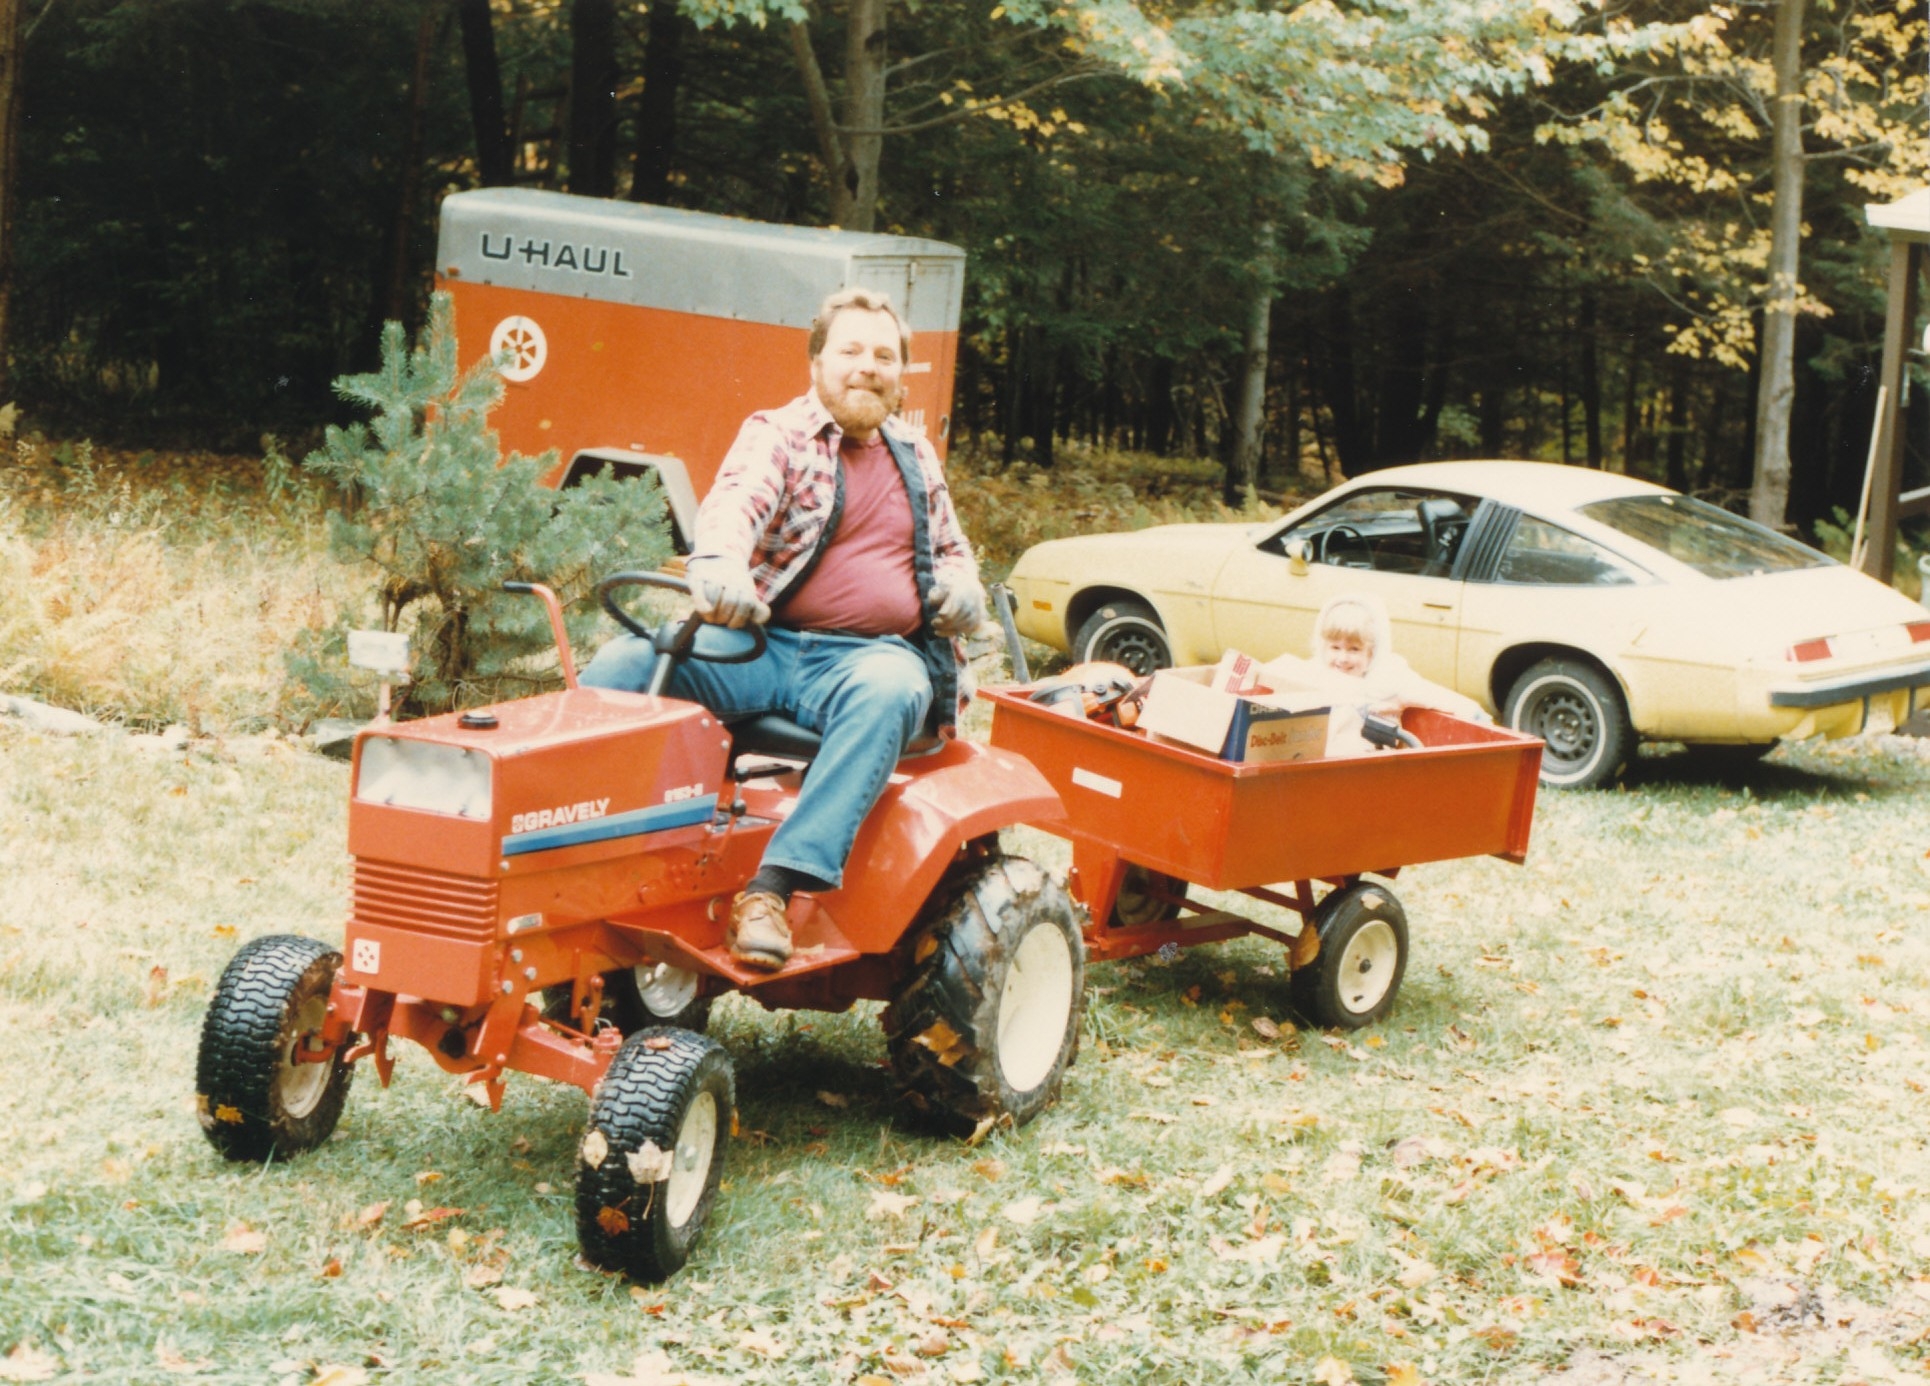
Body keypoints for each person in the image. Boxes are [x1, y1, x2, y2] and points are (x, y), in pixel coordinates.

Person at [580, 287, 985, 972]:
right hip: (761, 647)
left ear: (901, 375)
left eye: (884, 355)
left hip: (866, 661)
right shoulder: (780, 433)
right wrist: (719, 564)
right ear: (816, 363)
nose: (867, 366)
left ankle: (773, 888)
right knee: (622, 667)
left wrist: (963, 587)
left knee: (891, 690)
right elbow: (737, 503)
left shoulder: (917, 454)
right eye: (850, 351)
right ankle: (593, 846)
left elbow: (951, 550)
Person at [1262, 595, 1487, 753]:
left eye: (1354, 650)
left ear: (1372, 652)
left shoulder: (1386, 680)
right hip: (1316, 766)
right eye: (1335, 648)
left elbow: (1440, 698)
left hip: (1366, 767)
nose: (1342, 659)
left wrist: (1479, 719)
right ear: (1323, 647)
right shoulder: (1313, 673)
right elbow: (1267, 677)